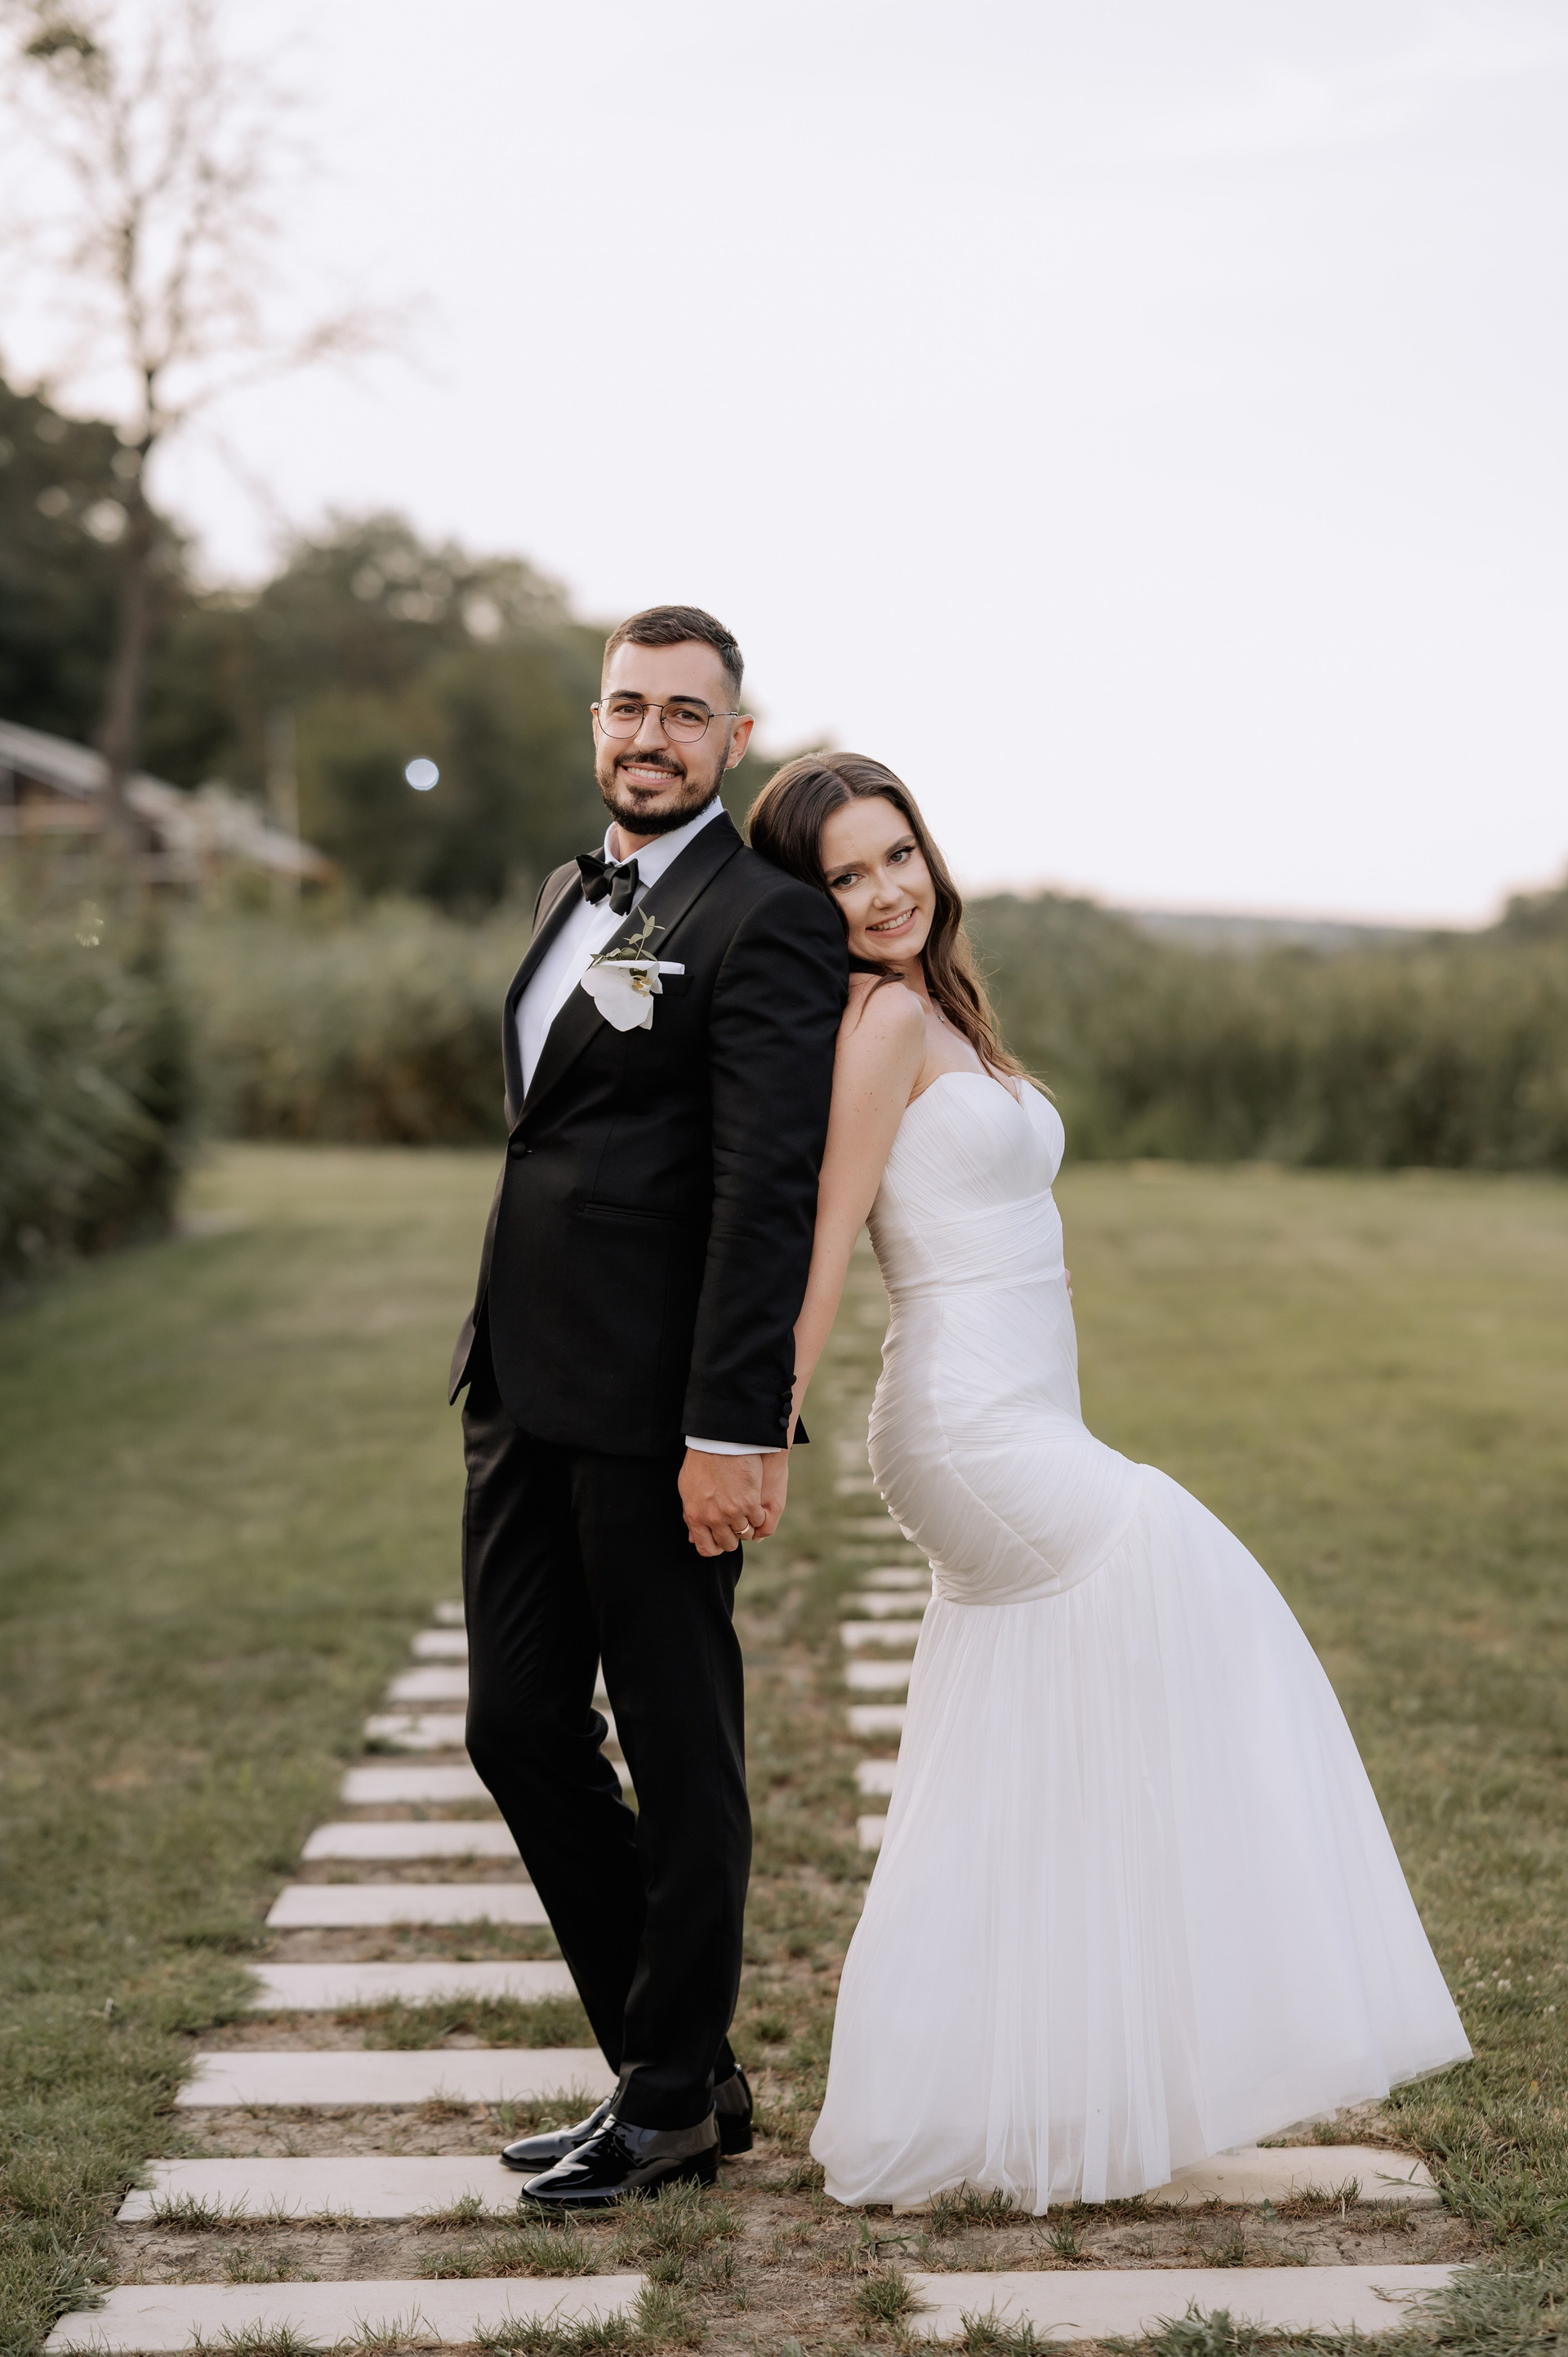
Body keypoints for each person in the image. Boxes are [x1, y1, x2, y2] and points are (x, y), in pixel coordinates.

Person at [747, 752, 1470, 2214]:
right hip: (965, 1425)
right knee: (1201, 1591)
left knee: (1043, 1745)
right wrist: (760, 1422)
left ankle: (1068, 2088)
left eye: (898, 855)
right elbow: (824, 1232)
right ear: (808, 903)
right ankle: (1153, 2057)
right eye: (845, 876)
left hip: (1025, 1406)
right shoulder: (880, 1022)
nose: (884, 892)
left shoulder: (942, 1004)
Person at [451, 608, 847, 2209]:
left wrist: (733, 1425)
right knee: (515, 1727)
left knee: (682, 1750)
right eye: (628, 706)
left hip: (659, 1406)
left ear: (733, 740)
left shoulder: (769, 921)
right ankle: (675, 2068)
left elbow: (765, 1189)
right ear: (597, 722)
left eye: (687, 713)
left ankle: (670, 2092)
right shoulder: (571, 893)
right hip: (518, 1381)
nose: (650, 735)